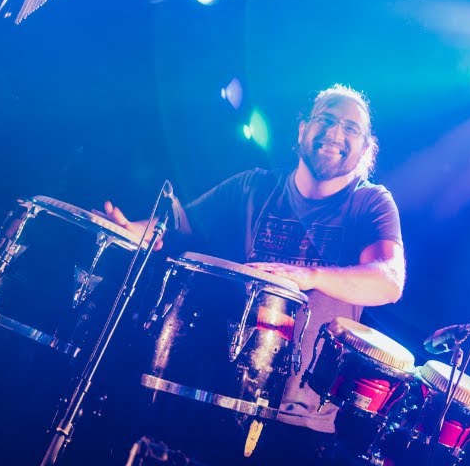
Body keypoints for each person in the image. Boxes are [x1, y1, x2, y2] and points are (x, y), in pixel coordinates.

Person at [105, 84, 405, 464]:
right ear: (302, 129)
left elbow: (388, 279)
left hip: (300, 417)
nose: (334, 133)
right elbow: (178, 222)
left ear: (366, 148)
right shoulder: (255, 185)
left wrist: (310, 276)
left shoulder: (370, 202)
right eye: (326, 120)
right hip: (223, 391)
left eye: (350, 128)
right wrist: (134, 230)